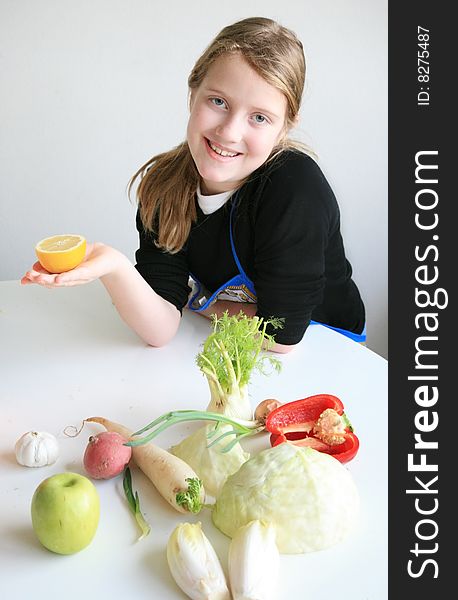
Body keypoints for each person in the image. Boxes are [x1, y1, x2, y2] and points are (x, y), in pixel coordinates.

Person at [21, 16, 365, 353]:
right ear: (192, 93)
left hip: (329, 350)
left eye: (259, 118)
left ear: (284, 128)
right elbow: (160, 328)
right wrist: (114, 267)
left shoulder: (296, 188)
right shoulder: (164, 187)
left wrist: (200, 303)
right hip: (224, 342)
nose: (229, 132)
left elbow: (282, 336)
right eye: (218, 102)